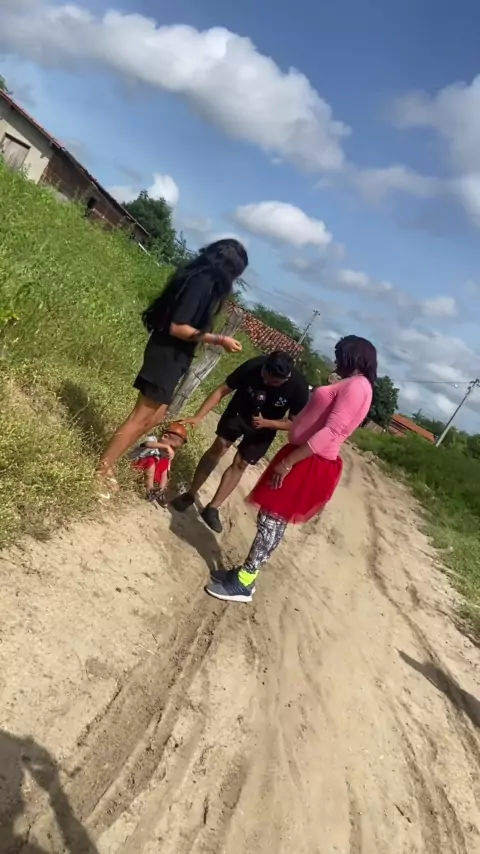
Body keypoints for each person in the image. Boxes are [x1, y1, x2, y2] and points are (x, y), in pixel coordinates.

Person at [206, 334, 377, 603]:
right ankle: (246, 575)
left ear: (352, 357)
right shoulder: (355, 385)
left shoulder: (357, 387)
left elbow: (332, 431)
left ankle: (245, 581)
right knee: (272, 519)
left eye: (339, 355)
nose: (336, 361)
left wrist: (289, 462)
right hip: (303, 456)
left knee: (271, 520)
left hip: (308, 460)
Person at [97, 239, 248, 497]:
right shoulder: (201, 283)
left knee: (155, 418)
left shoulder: (201, 280)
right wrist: (218, 339)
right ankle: (102, 469)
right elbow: (177, 327)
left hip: (175, 357)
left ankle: (113, 461)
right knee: (141, 416)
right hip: (166, 353)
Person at [171, 351, 310, 532]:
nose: (266, 383)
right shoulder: (253, 365)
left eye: (273, 382)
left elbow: (293, 423)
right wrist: (198, 416)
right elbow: (222, 390)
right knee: (219, 446)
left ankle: (212, 508)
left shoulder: (299, 387)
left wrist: (267, 423)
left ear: (286, 377)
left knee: (241, 463)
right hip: (239, 412)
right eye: (264, 377)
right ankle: (190, 494)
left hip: (266, 426)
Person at [130, 421, 188, 504]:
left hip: (147, 469)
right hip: (136, 462)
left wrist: (168, 466)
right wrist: (166, 446)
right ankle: (149, 489)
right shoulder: (152, 439)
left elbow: (165, 468)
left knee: (164, 463)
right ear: (165, 437)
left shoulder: (164, 452)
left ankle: (160, 490)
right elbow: (146, 444)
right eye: (172, 447)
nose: (172, 450)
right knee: (151, 460)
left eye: (175, 449)